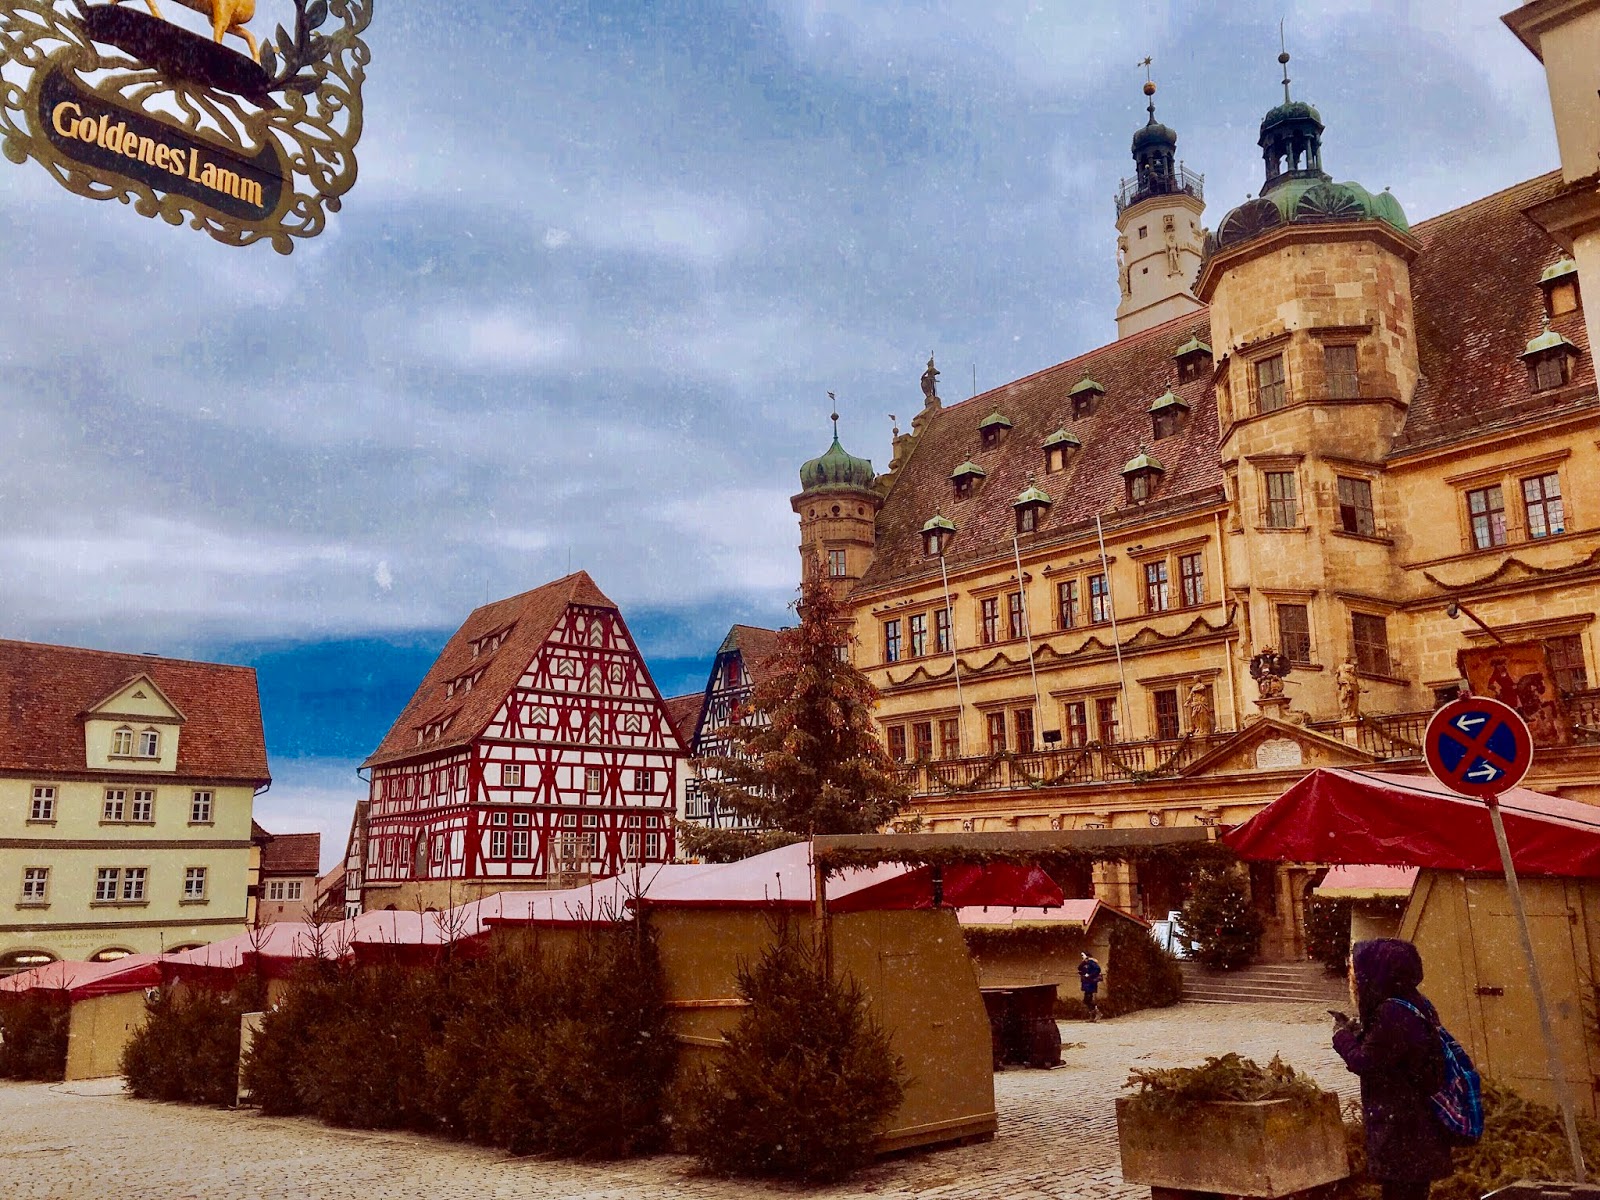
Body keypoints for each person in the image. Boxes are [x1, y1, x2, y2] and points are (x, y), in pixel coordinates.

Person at [1332, 939, 1454, 1200]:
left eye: (1356, 970)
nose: (1353, 978)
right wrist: (1359, 1031)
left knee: (1402, 1193)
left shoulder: (1393, 1012)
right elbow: (1391, 1053)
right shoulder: (1415, 1003)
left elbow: (1366, 1062)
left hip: (1403, 1131)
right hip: (1419, 1127)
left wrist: (1341, 1036)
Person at [1078, 950, 1103, 1021]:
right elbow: (1079, 968)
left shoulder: (1091, 962)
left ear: (1087, 955)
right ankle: (1092, 1015)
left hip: (1091, 983)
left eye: (1082, 955)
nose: (1081, 957)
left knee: (1088, 1000)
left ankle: (1097, 1013)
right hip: (1086, 983)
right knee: (1087, 1000)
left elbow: (1097, 969)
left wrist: (1090, 975)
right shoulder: (1085, 963)